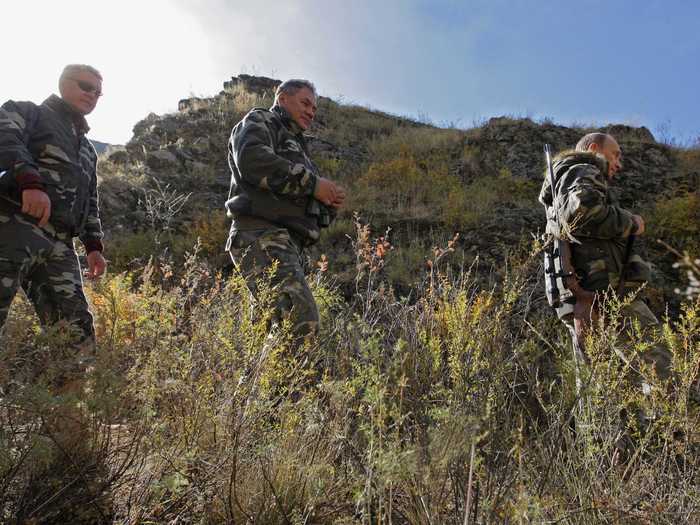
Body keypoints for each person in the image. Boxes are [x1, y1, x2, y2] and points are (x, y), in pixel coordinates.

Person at [539, 132, 672, 386]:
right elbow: (583, 212)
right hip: (604, 292)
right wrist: (631, 222)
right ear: (593, 149)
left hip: (584, 295)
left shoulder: (563, 181)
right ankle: (678, 424)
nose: (619, 163)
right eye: (615, 154)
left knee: (600, 388)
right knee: (663, 370)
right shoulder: (583, 169)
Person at [225, 79, 345, 341]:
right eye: (305, 103)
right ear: (282, 99)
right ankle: (291, 384)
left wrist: (328, 204)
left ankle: (262, 383)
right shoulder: (261, 120)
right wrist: (314, 185)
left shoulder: (298, 147)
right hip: (262, 235)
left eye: (314, 108)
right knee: (300, 324)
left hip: (286, 244)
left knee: (271, 337)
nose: (311, 112)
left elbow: (302, 205)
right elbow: (252, 161)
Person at [0, 64, 107, 357]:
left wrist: (93, 246)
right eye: (86, 86)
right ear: (63, 83)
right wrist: (29, 181)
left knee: (76, 332)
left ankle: (71, 401)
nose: (92, 95)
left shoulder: (88, 151)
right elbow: (4, 137)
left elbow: (90, 199)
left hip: (61, 245)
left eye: (98, 92)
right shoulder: (28, 112)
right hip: (13, 224)